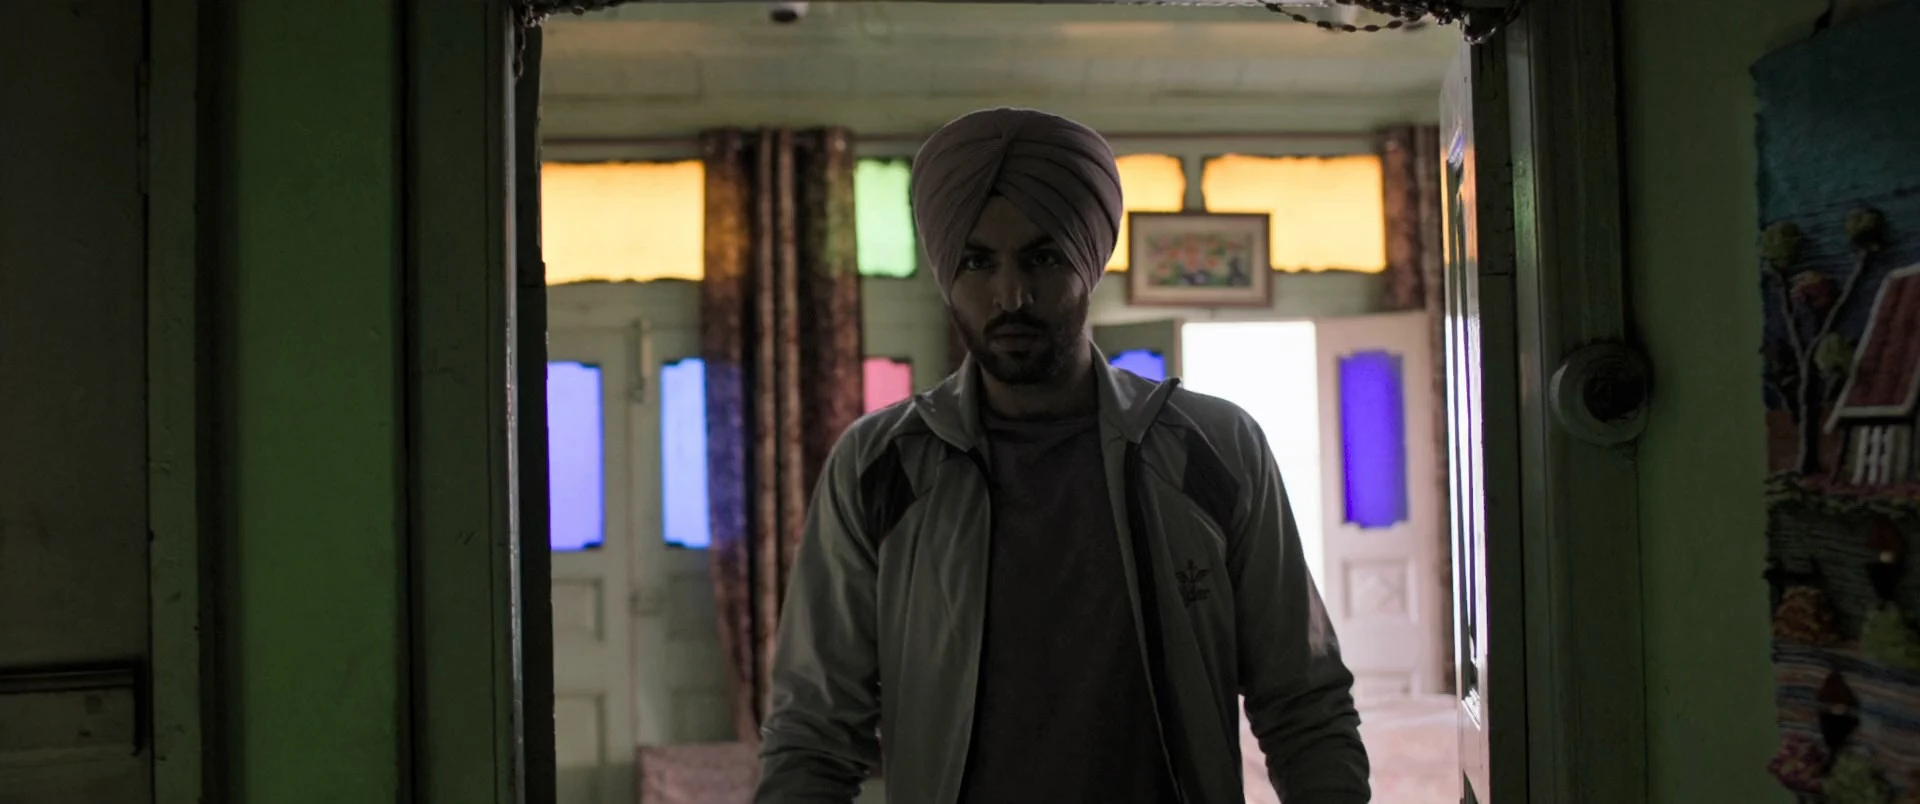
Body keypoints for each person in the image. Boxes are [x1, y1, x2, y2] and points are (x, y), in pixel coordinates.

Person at [754, 107, 1369, 804]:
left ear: (1089, 262)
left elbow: (1304, 705)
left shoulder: (1213, 448)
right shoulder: (882, 467)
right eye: (978, 262)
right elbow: (814, 734)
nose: (1010, 295)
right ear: (947, 273)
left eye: (1042, 259)